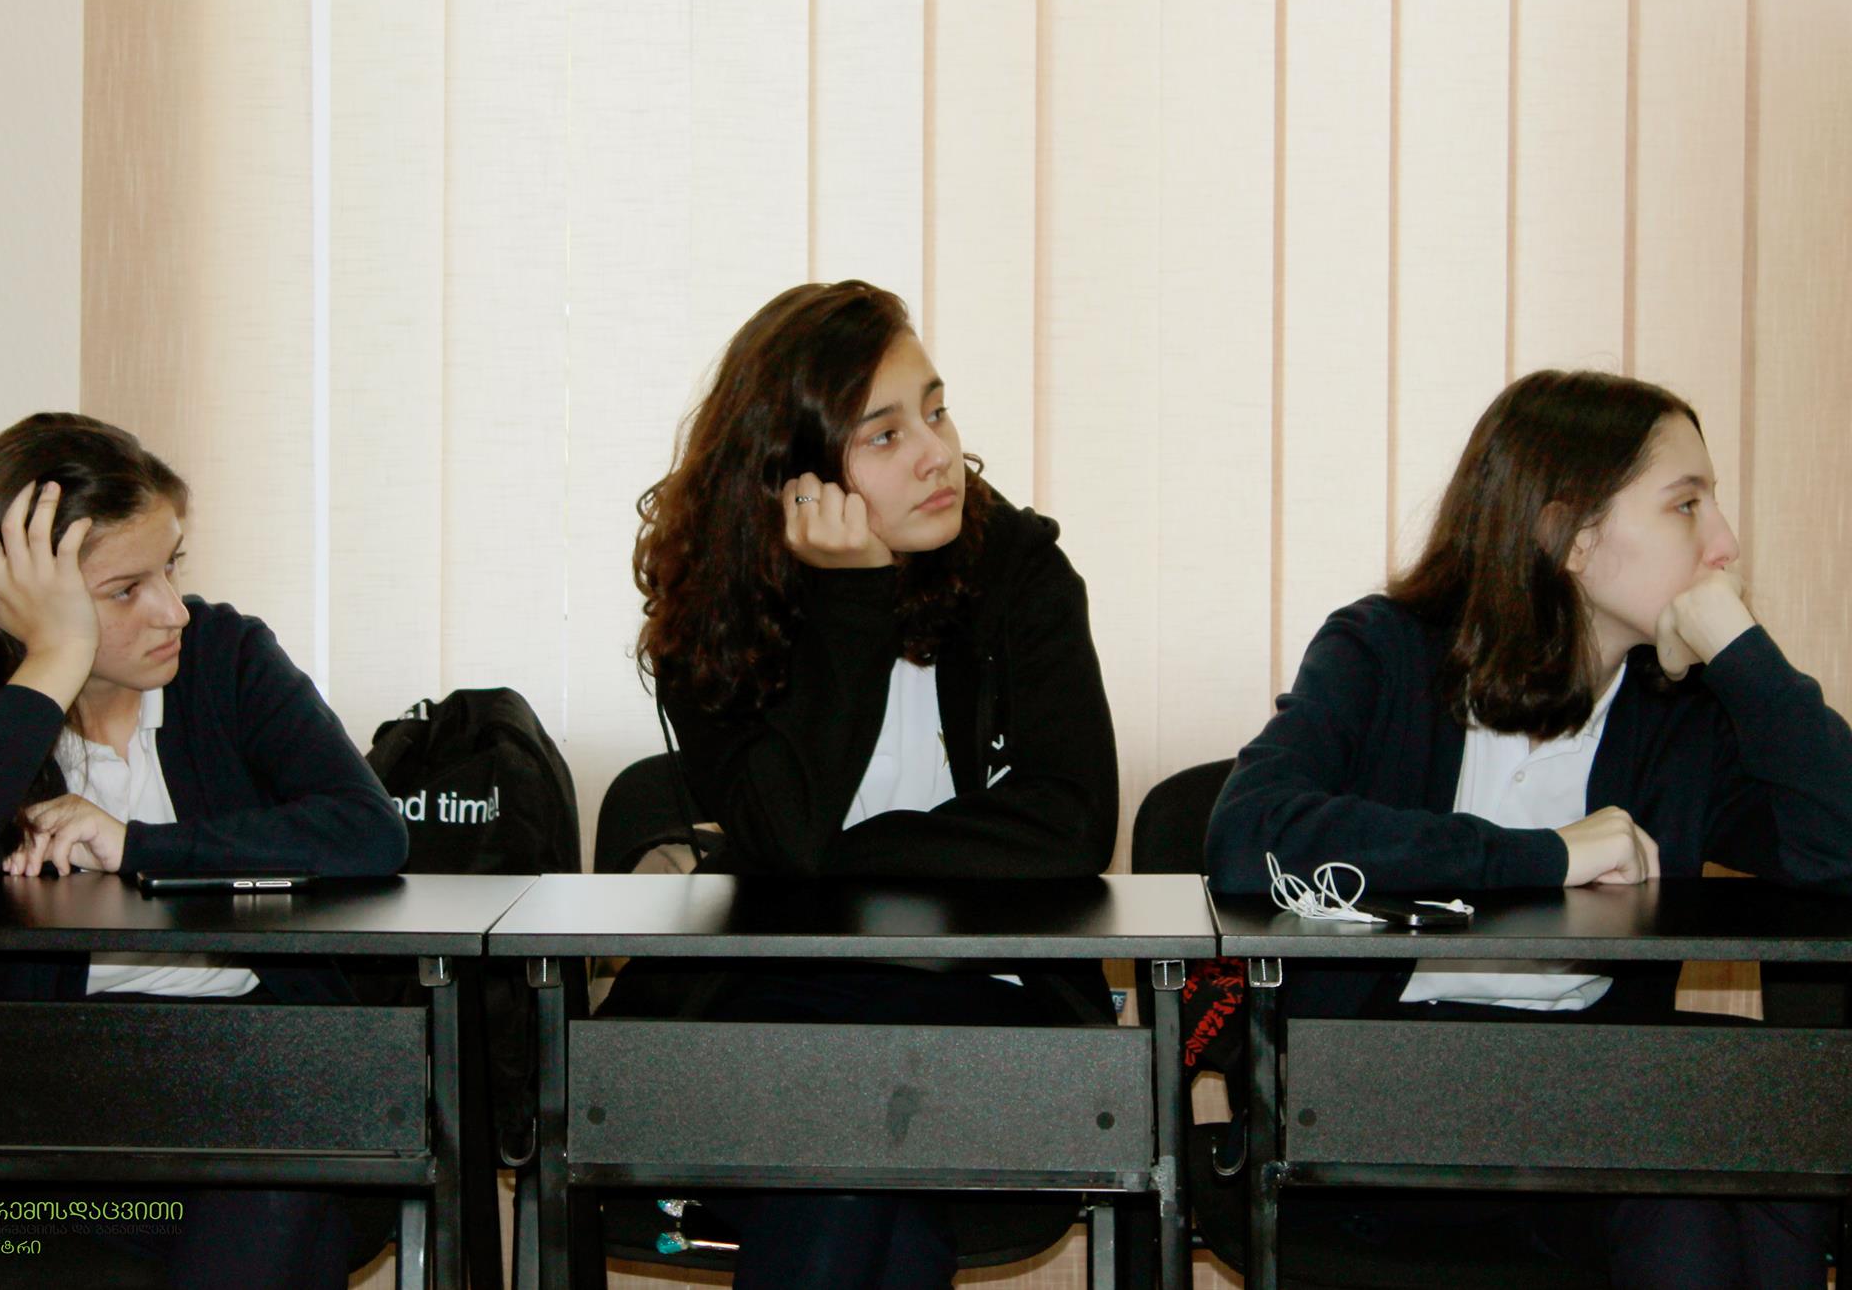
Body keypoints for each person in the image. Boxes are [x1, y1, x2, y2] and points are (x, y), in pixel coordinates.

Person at [1206, 369, 1852, 1288]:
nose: (1725, 542)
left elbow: (1838, 842)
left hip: (1595, 1117)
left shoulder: (1681, 711)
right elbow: (1249, 836)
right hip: (1377, 1107)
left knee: (1772, 1136)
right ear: (1570, 537)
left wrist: (1744, 654)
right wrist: (1547, 856)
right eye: (1686, 504)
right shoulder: (1384, 652)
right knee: (1709, 1178)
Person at [0, 412, 408, 1290]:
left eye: (172, 566)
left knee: (278, 1188)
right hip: (37, 1123)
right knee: (277, 1214)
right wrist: (54, 659)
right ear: (17, 598)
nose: (171, 609)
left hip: (256, 1076)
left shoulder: (227, 655)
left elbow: (367, 828)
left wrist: (136, 843)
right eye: (125, 589)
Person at [626, 280, 1120, 1288]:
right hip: (771, 1004)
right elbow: (784, 836)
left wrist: (843, 860)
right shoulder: (715, 617)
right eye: (885, 435)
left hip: (984, 1000)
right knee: (865, 1185)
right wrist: (851, 598)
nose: (937, 452)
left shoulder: (1020, 572)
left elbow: (1070, 823)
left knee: (841, 1165)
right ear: (795, 476)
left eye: (936, 411)